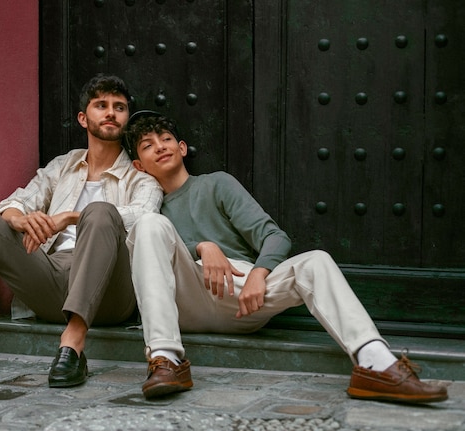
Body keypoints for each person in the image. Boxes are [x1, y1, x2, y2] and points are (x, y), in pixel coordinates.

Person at [123, 111, 448, 403]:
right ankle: (167, 360)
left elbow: (274, 236)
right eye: (148, 145)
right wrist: (203, 246)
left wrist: (259, 273)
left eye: (166, 139)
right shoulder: (149, 208)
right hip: (186, 301)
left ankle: (376, 363)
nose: (160, 146)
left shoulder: (216, 184)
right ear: (138, 165)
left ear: (182, 148)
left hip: (241, 297)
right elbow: (145, 244)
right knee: (148, 224)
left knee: (316, 260)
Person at [0, 76, 163, 388]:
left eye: (119, 107)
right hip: (51, 279)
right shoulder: (64, 165)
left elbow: (143, 215)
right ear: (83, 118)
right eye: (101, 105)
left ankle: (74, 343)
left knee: (101, 212)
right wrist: (17, 219)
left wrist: (69, 217)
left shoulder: (140, 177)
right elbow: (16, 201)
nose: (111, 113)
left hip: (110, 292)